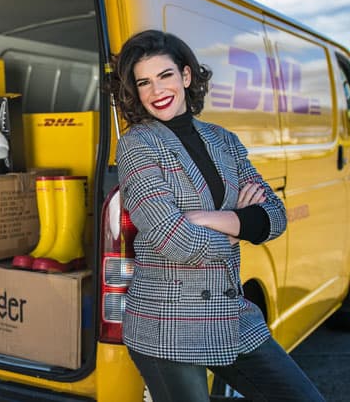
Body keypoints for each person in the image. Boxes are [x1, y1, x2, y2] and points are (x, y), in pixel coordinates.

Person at [113, 30, 324, 402]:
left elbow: (274, 216)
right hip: (168, 324)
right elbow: (172, 240)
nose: (156, 90)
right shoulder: (137, 144)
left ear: (186, 76)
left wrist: (208, 219)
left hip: (231, 314)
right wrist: (238, 224)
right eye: (143, 82)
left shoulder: (222, 139)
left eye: (165, 76)